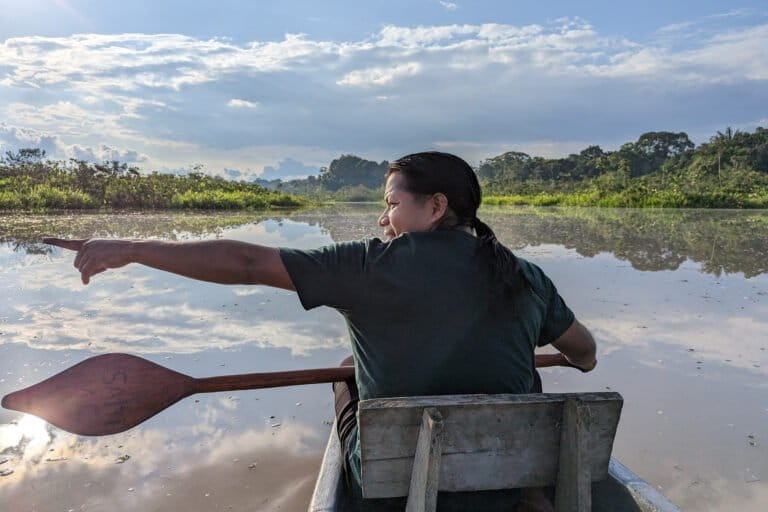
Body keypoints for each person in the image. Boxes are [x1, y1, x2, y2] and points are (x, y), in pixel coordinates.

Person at [44, 151, 596, 511]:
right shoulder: (524, 273)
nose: (383, 221)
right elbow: (586, 355)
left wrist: (135, 249)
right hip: (504, 473)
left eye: (391, 205)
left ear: (435, 206)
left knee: (345, 376)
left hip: (395, 481)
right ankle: (530, 496)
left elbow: (247, 263)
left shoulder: (368, 266)